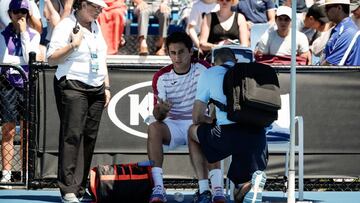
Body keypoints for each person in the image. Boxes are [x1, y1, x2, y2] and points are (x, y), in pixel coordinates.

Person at [46, 0, 110, 202]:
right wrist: (73, 45)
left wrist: (106, 87)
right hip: (72, 85)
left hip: (97, 88)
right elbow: (51, 58)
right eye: (96, 6)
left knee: (89, 137)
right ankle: (68, 190)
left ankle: (80, 187)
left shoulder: (97, 26)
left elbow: (101, 58)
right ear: (82, 4)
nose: (100, 10)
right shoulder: (65, 26)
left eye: (101, 7)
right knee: (72, 136)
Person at [188, 47, 268, 203]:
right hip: (257, 136)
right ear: (236, 61)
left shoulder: (210, 73)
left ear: (213, 63)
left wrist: (212, 120)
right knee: (239, 192)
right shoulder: (251, 72)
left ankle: (205, 189)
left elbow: (196, 117)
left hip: (227, 135)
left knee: (192, 131)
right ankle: (250, 185)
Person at [146, 31, 210, 203]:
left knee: (210, 127)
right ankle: (158, 188)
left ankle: (210, 190)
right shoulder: (161, 76)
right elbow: (157, 116)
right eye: (172, 53)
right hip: (173, 125)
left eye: (181, 52)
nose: (177, 57)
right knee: (153, 128)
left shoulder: (204, 68)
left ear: (190, 51)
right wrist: (162, 110)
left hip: (198, 123)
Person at [0, 0, 40, 188]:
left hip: (26, 85)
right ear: (10, 14)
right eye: (16, 11)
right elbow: (4, 60)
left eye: (24, 11)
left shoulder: (34, 35)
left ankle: (25, 173)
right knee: (8, 129)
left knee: (26, 131)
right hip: (7, 84)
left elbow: (28, 57)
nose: (20, 15)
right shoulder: (2, 35)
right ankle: (6, 173)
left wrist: (23, 33)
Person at [321, 0, 360, 65]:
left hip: (342, 75)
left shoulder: (349, 31)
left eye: (327, 8)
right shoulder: (339, 29)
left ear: (339, 8)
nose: (325, 11)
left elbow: (332, 64)